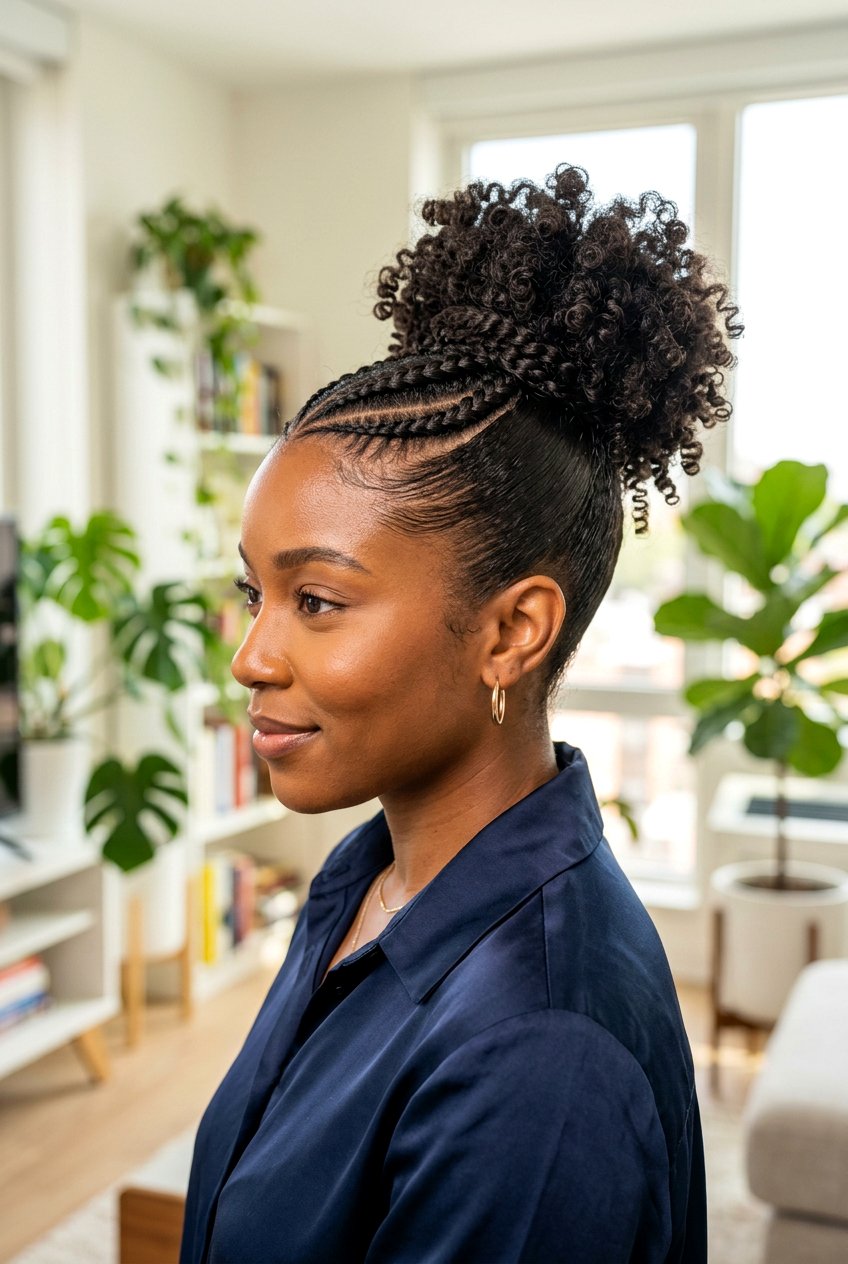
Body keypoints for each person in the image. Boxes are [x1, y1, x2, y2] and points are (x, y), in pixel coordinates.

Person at [180, 164, 741, 1264]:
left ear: (511, 632)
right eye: (256, 593)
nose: (249, 654)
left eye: (318, 600)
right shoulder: (365, 879)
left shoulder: (537, 1059)